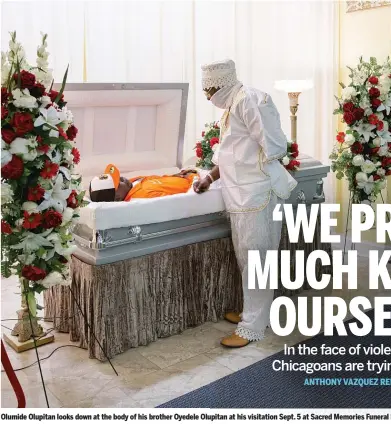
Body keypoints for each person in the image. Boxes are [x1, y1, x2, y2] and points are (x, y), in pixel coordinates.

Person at [194, 59, 297, 348]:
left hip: (258, 193)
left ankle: (252, 326)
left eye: (209, 90)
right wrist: (210, 178)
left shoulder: (250, 99)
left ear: (221, 83)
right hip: (241, 195)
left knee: (258, 261)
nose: (207, 97)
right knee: (247, 259)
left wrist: (257, 170)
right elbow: (231, 152)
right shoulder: (232, 105)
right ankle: (255, 312)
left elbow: (275, 145)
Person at [89, 164, 198, 202]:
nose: (122, 177)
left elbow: (160, 181)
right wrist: (193, 177)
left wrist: (177, 175)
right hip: (200, 184)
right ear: (117, 198)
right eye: (119, 182)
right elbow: (185, 199)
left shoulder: (131, 184)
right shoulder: (144, 196)